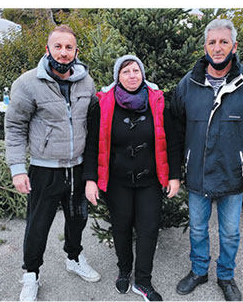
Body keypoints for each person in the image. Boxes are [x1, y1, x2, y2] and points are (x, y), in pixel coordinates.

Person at [168, 19, 243, 301]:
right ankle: (199, 271)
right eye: (212, 42)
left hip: (232, 175)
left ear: (234, 46)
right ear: (205, 47)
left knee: (230, 233)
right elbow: (175, 131)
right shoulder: (188, 84)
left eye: (223, 42)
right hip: (198, 174)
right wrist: (175, 172)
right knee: (198, 229)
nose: (217, 48)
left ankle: (226, 275)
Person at [5, 25, 101, 302]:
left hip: (77, 168)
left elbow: (91, 123)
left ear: (76, 52)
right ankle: (31, 274)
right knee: (38, 225)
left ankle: (74, 258)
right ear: (47, 50)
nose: (63, 52)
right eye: (57, 46)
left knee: (77, 220)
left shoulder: (86, 82)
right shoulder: (27, 84)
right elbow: (14, 127)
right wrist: (18, 169)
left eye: (68, 47)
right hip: (44, 169)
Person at [84, 56, 182, 302]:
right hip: (117, 181)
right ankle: (124, 270)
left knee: (148, 229)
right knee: (121, 228)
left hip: (150, 180)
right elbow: (92, 146)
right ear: (118, 76)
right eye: (125, 71)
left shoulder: (157, 102)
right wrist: (90, 179)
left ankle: (143, 282)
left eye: (136, 70)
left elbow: (171, 142)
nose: (131, 75)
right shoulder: (104, 104)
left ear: (142, 74)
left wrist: (174, 176)